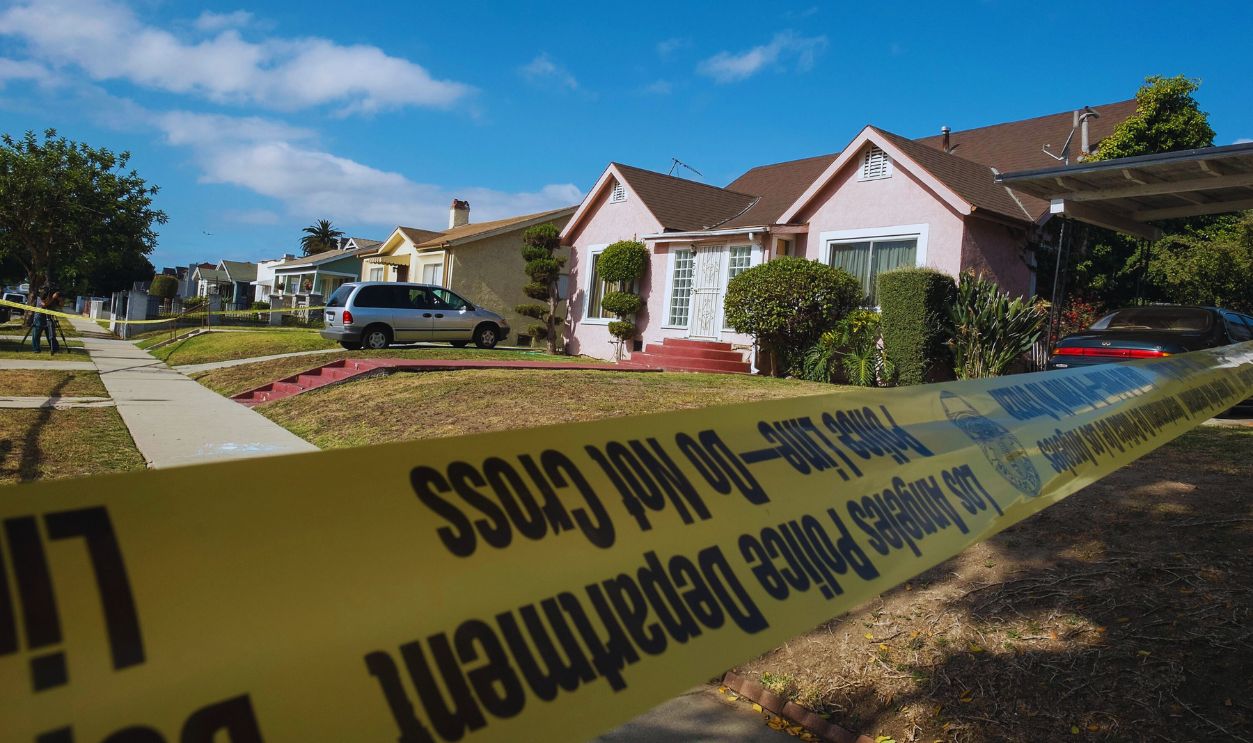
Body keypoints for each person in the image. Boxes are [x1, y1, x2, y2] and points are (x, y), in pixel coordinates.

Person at [31, 290, 62, 355]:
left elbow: (61, 305)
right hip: (39, 317)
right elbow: (44, 305)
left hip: (49, 317)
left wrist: (59, 299)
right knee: (36, 334)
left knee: (51, 334)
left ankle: (54, 349)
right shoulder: (41, 296)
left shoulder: (54, 298)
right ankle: (36, 349)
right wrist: (53, 298)